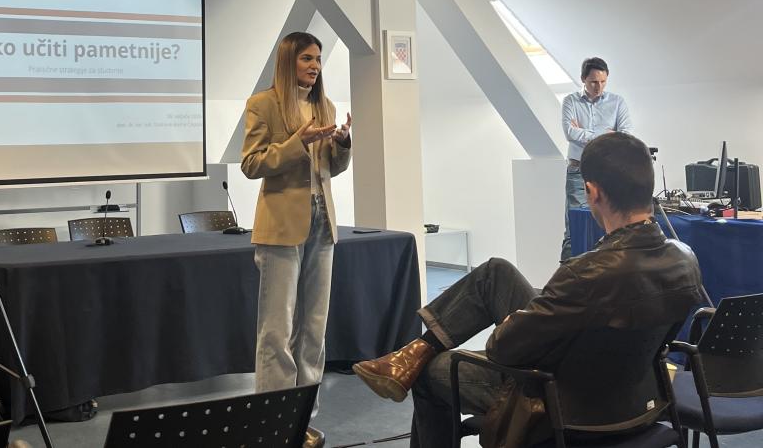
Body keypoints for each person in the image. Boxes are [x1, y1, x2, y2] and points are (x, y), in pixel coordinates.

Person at [352, 132, 706, 448]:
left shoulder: (585, 274)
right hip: (637, 397)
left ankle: (417, 358)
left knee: (430, 373)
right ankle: (414, 351)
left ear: (592, 191)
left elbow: (502, 349)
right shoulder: (685, 260)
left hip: (560, 402)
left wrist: (512, 322)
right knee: (496, 273)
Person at [241, 31, 352, 448]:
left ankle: (302, 419)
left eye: (318, 59)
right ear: (289, 61)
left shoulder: (326, 106)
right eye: (307, 58)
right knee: (277, 330)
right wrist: (295, 143)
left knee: (314, 330)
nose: (315, 66)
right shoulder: (263, 104)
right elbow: (251, 164)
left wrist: (343, 144)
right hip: (281, 228)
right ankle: (272, 422)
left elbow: (330, 168)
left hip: (322, 224)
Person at [560, 57, 633, 261]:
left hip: (608, 173)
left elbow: (625, 135)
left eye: (603, 81)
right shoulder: (571, 101)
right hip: (578, 172)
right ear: (583, 79)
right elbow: (569, 132)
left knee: (610, 227)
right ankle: (566, 276)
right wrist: (605, 135)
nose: (598, 87)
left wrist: (584, 133)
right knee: (574, 229)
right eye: (593, 82)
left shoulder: (617, 102)